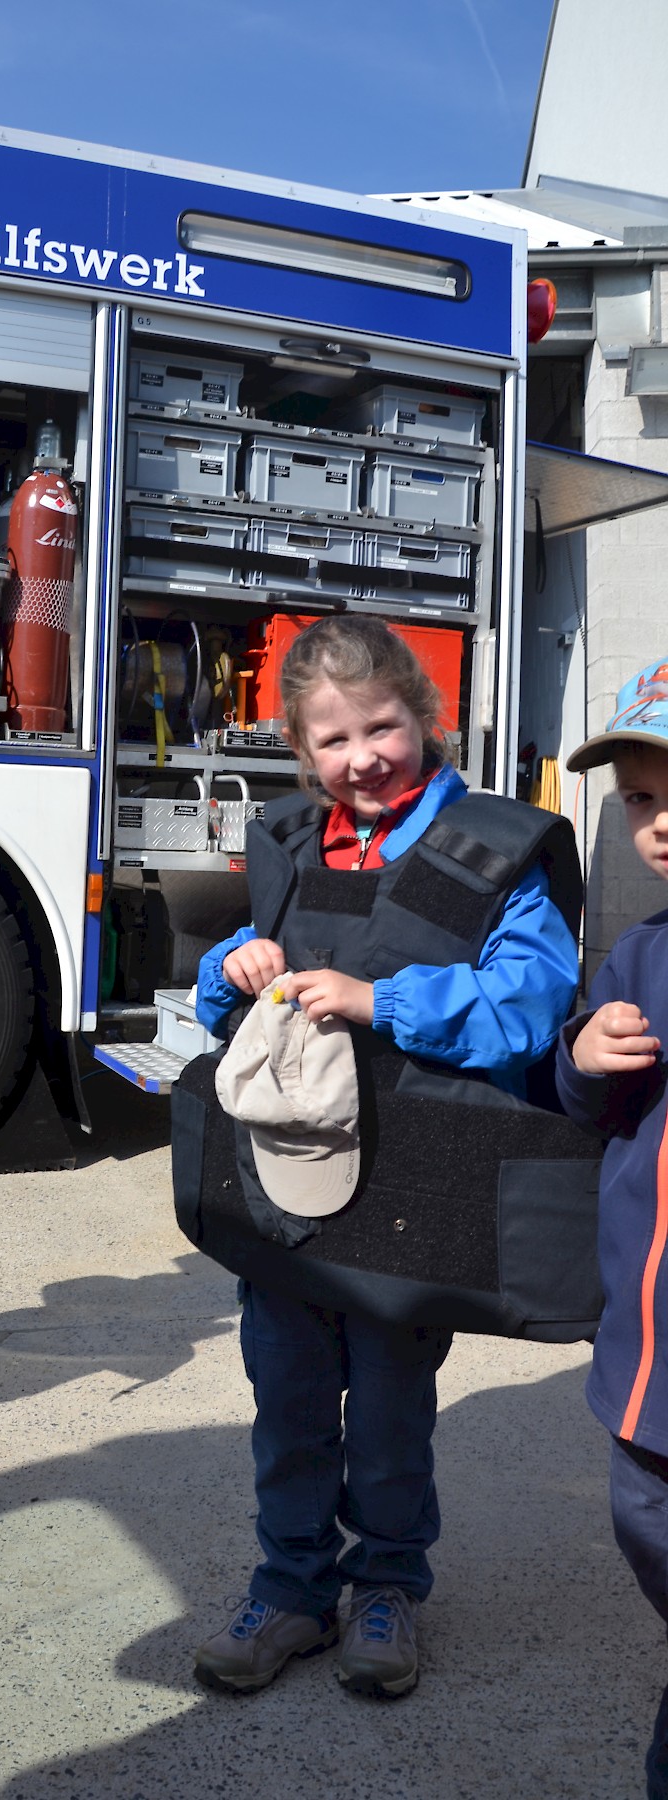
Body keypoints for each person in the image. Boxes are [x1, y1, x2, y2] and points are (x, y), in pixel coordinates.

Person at [189, 615, 580, 1699]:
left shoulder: (497, 850)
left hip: (418, 1183)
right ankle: (292, 1591)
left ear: (425, 715)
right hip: (285, 1185)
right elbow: (208, 994)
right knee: (290, 1394)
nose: (363, 758)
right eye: (333, 741)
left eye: (383, 727)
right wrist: (235, 962)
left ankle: (390, 1589)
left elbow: (532, 1002)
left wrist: (383, 1001)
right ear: (299, 751)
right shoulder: (289, 841)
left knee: (394, 1405)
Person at [554, 659, 668, 1800]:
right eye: (641, 799)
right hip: (649, 1363)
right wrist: (583, 1057)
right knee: (643, 1518)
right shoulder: (640, 956)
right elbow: (582, 1097)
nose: (661, 822)